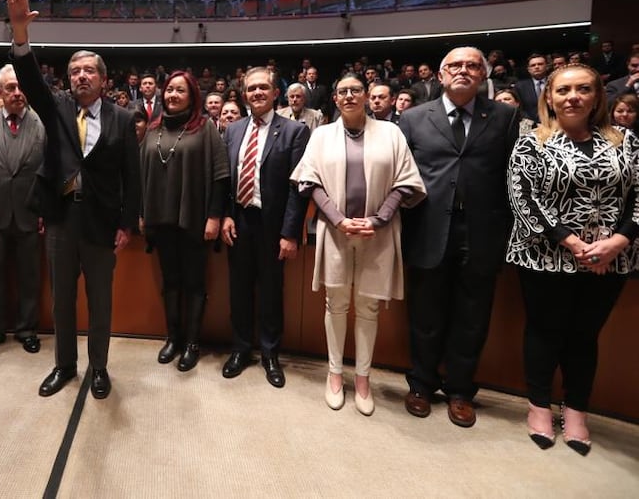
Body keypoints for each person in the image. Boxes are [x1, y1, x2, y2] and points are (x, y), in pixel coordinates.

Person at [7, 0, 141, 400]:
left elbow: (131, 177)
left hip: (101, 222)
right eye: (74, 71)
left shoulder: (123, 117)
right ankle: (64, 365)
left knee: (100, 303)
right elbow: (29, 77)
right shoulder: (57, 108)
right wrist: (20, 34)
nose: (81, 76)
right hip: (63, 218)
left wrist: (127, 224)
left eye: (89, 71)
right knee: (62, 300)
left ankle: (99, 368)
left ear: (103, 79)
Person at [506, 64, 638, 455]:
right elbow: (523, 197)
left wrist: (617, 241)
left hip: (611, 257)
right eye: (563, 90)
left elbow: (637, 196)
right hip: (545, 254)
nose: (572, 97)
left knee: (584, 336)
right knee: (544, 332)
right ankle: (539, 405)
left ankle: (577, 409)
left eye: (583, 89)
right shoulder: (532, 141)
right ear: (549, 97)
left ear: (598, 96)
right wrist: (572, 243)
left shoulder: (625, 141)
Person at [398, 47, 519, 427]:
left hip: (482, 230)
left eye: (472, 66)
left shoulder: (506, 116)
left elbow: (514, 178)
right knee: (425, 313)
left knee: (472, 316)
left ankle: (461, 391)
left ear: (483, 74)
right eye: (455, 65)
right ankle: (421, 384)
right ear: (440, 74)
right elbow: (400, 176)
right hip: (428, 228)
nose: (463, 71)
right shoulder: (414, 118)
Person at [291, 74, 425, 415]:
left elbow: (405, 182)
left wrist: (378, 219)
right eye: (342, 92)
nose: (349, 96)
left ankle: (363, 377)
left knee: (367, 307)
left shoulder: (391, 133)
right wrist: (337, 218)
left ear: (366, 96)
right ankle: (335, 373)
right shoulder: (322, 135)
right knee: (335, 303)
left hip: (376, 233)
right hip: (336, 231)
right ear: (334, 99)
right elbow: (309, 181)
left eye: (355, 91)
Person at [220, 67, 309, 388]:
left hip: (272, 226)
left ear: (275, 94)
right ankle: (241, 349)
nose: (256, 93)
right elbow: (226, 180)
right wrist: (226, 215)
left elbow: (298, 188)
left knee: (271, 292)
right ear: (244, 95)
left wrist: (289, 233)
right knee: (239, 290)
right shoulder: (233, 130)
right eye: (251, 89)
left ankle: (271, 354)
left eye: (263, 88)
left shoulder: (294, 132)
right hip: (239, 221)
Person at [139, 71, 229, 371]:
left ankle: (192, 343)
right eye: (169, 90)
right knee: (171, 282)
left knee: (194, 283)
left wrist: (214, 216)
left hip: (194, 220)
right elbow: (142, 175)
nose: (172, 95)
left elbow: (220, 176)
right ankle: (173, 338)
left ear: (192, 97)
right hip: (161, 220)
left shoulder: (205, 129)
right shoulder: (154, 129)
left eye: (180, 91)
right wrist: (142, 213)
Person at [0, 64, 45, 357]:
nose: (17, 92)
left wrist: (44, 212)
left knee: (29, 277)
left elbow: (48, 173)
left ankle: (27, 329)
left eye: (21, 87)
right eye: (10, 87)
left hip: (30, 213)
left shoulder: (42, 123)